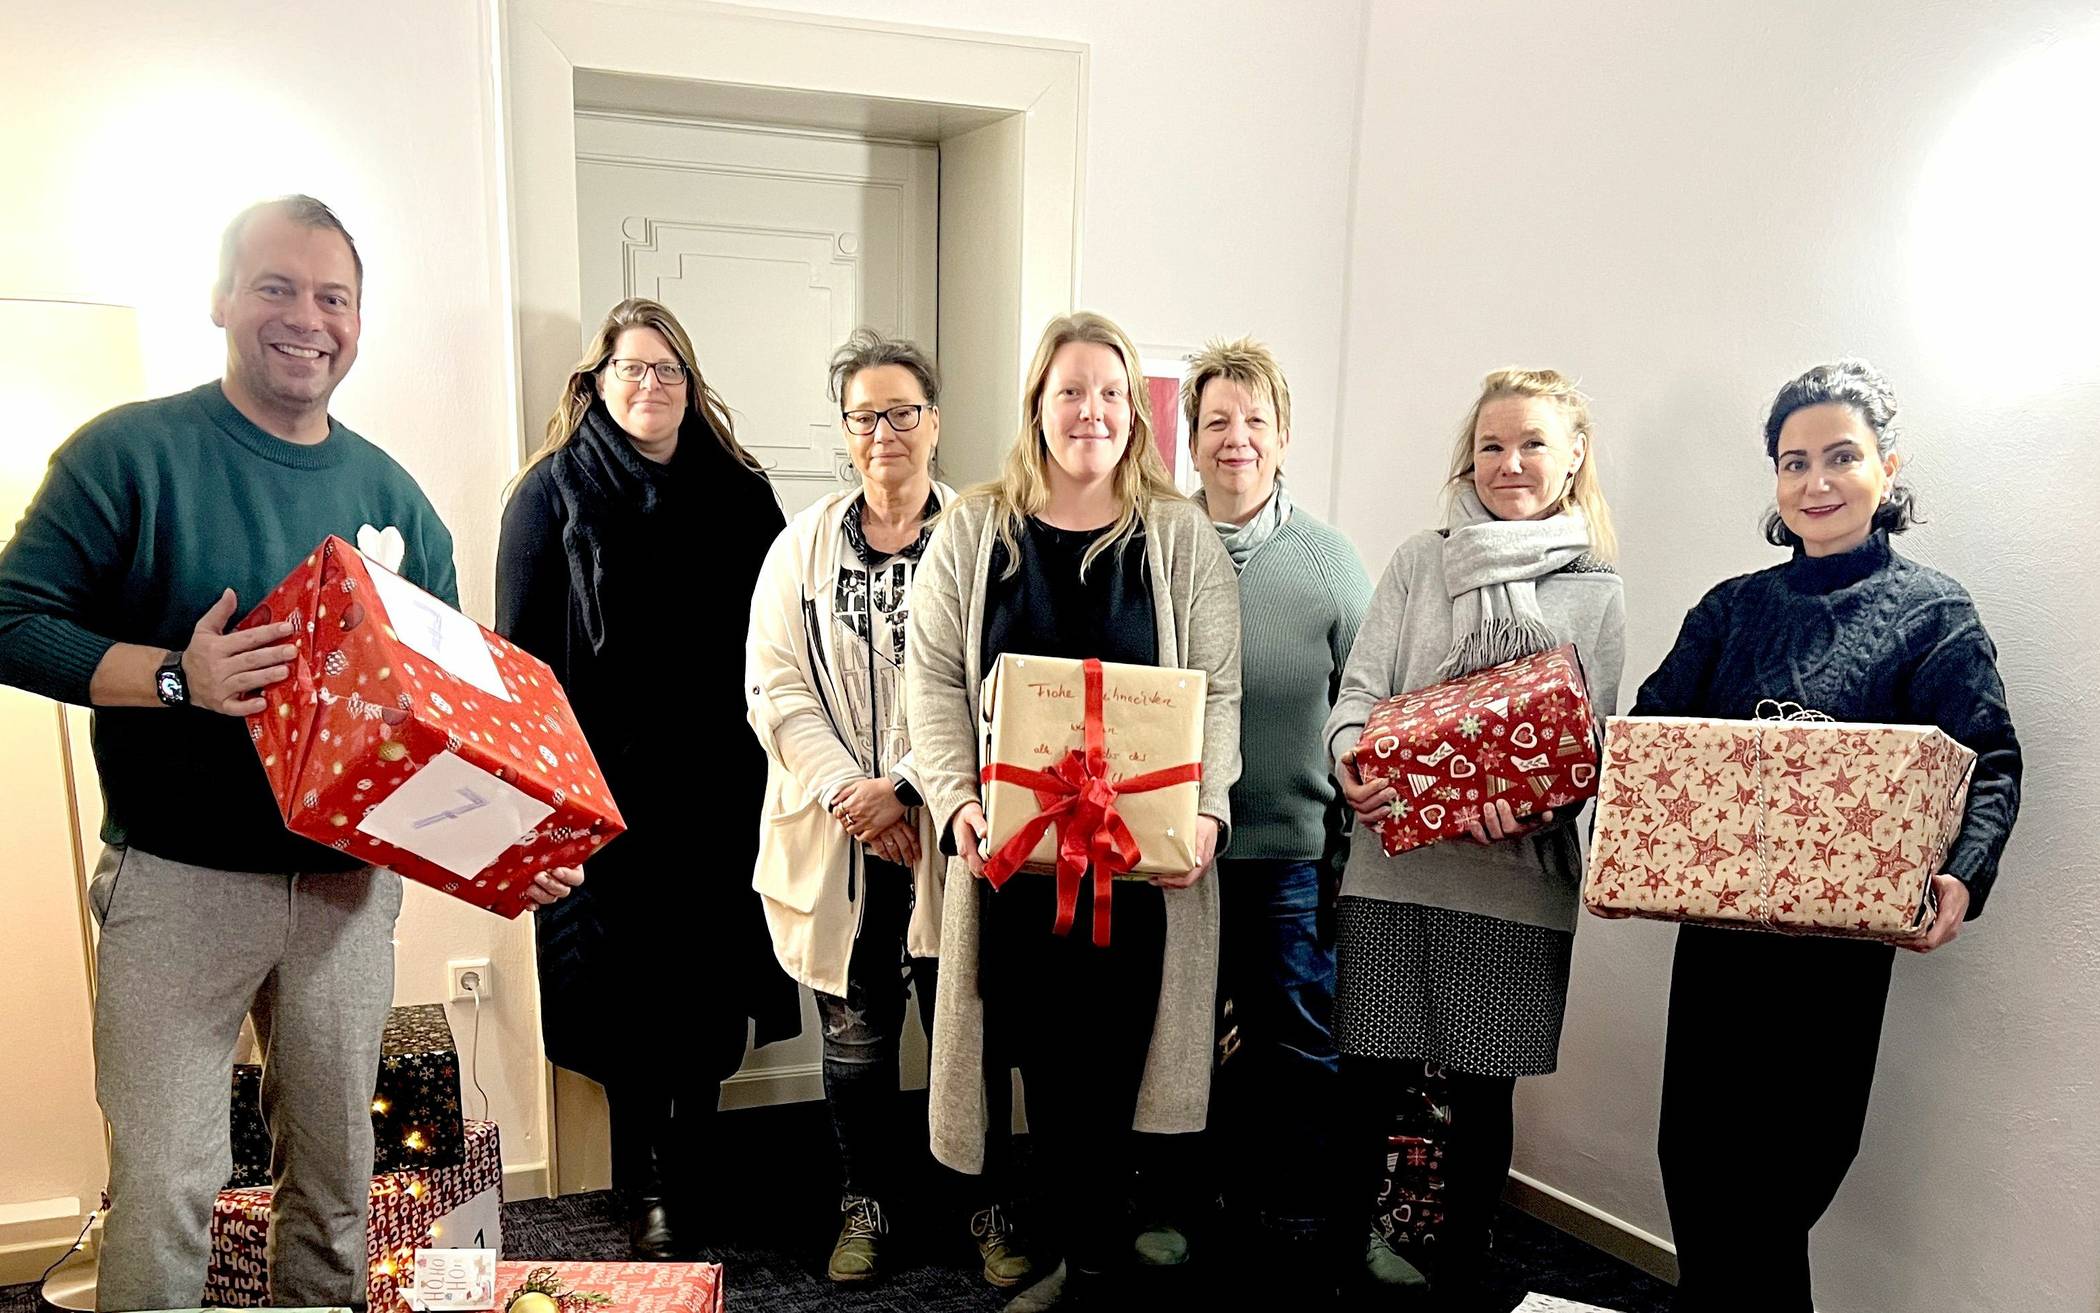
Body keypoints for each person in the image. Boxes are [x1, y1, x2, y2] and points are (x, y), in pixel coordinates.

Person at [0, 195, 580, 1312]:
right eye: (275, 286)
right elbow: (11, 616)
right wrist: (178, 676)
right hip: (175, 883)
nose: (305, 318)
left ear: (358, 321)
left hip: (346, 893)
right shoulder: (129, 453)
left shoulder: (394, 497)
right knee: (169, 1182)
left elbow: (448, 731)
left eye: (333, 297)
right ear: (222, 299)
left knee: (337, 1184)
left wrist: (520, 846)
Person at [1632, 359, 2021, 1312]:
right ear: (1774, 477)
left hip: (1835, 965)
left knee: (1780, 1189)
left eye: (1840, 456)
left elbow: (1991, 760)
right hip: (1718, 945)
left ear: (1887, 466)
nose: (1816, 482)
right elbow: (1648, 732)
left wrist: (1962, 877)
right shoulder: (1732, 609)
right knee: (1698, 1170)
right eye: (1793, 461)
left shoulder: (1932, 613)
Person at [905, 311, 1243, 1310]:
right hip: (1017, 865)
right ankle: (1064, 1256)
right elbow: (930, 680)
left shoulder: (1177, 534)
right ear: (1037, 408)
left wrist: (1209, 812)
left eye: (1108, 391)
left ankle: (1099, 1262)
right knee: (1038, 1069)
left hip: (1142, 872)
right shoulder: (975, 525)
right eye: (1069, 391)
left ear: (1133, 409)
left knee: (1120, 1064)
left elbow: (1216, 691)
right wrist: (957, 799)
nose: (1088, 410)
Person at [495, 296, 799, 1259]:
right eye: (634, 367)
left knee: (709, 992)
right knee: (627, 998)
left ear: (690, 386)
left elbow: (783, 637)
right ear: (597, 380)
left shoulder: (744, 494)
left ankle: (697, 1160)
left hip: (720, 791)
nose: (652, 386)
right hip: (603, 797)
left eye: (670, 370)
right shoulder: (548, 495)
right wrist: (539, 804)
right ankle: (649, 1185)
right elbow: (519, 668)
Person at [1324, 368, 1625, 1308]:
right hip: (1393, 866)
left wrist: (1537, 805)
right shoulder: (1422, 559)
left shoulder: (1595, 591)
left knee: (1484, 1103)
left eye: (1533, 443)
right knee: (1364, 1091)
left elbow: (1593, 742)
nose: (1510, 463)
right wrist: (1350, 760)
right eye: (1492, 445)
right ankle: (1339, 1266)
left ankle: (1461, 1276)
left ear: (1574, 456)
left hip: (1515, 883)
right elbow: (1359, 696)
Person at [744, 328, 1029, 1287]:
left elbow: (996, 683)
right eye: (866, 415)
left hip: (951, 828)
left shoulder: (986, 541)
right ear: (846, 430)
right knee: (855, 1037)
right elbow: (776, 687)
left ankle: (984, 1205)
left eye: (903, 412)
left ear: (935, 423)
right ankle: (865, 1201)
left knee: (966, 1028)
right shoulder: (800, 547)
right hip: (842, 837)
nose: (885, 432)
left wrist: (908, 784)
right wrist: (855, 797)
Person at [1179, 337, 1369, 1284]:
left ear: (1284, 436)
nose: (1236, 438)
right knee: (1173, 1042)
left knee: (1297, 1042)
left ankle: (1304, 1220)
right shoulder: (1161, 545)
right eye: (1217, 420)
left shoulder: (1331, 563)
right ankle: (1182, 1205)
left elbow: (1366, 707)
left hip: (1291, 852)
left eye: (1255, 420)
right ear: (1192, 438)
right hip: (1171, 851)